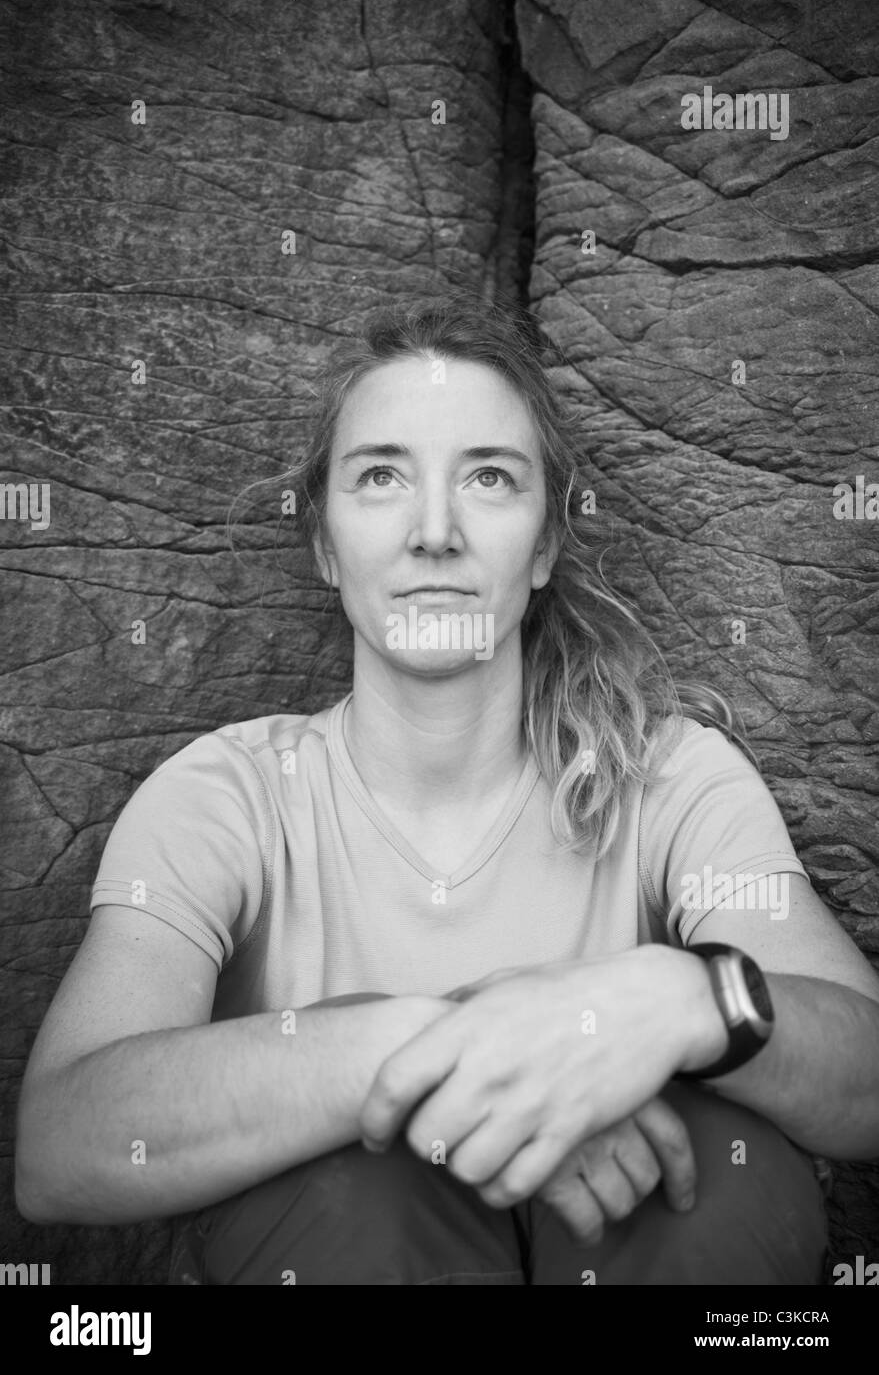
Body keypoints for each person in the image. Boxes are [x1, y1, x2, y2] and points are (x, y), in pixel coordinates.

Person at [15, 295, 879, 1286]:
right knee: (354, 1192)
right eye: (382, 476)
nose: (435, 531)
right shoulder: (227, 795)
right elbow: (61, 1146)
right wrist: (452, 1038)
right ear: (326, 544)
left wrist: (689, 1001)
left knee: (713, 1180)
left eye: (490, 477)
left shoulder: (672, 776)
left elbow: (870, 1082)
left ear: (546, 544)